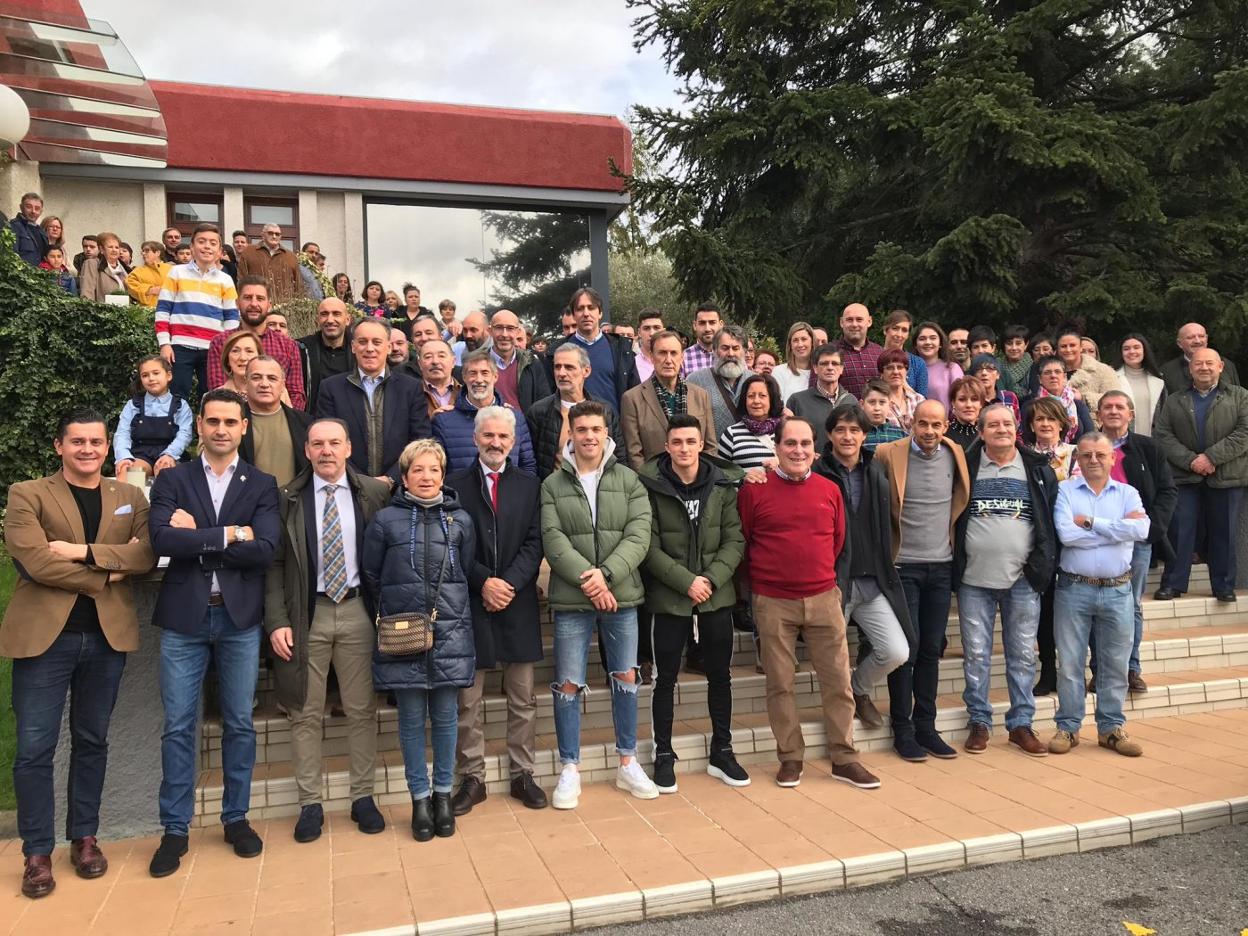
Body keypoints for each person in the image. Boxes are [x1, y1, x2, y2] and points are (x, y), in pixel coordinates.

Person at [2, 409, 156, 898]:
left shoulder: (129, 495)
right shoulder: (27, 494)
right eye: (77, 441)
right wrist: (107, 571)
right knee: (34, 749)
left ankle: (84, 838)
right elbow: (34, 562)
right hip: (47, 638)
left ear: (107, 447)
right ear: (59, 446)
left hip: (105, 638)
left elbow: (147, 553)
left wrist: (79, 551)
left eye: (96, 441)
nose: (88, 449)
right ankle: (37, 851)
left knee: (93, 740)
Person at [147, 389, 281, 877]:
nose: (221, 429)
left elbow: (265, 548)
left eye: (231, 421)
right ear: (199, 425)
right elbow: (161, 538)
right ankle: (175, 828)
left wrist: (198, 534)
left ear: (244, 427)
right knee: (179, 726)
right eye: (213, 421)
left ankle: (236, 817)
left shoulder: (262, 483)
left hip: (238, 619)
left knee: (240, 724)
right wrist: (230, 534)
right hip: (185, 618)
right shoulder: (174, 478)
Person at [263, 418, 391, 842]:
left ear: (349, 447)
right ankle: (309, 803)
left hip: (357, 611)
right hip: (307, 615)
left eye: (335, 442)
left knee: (361, 709)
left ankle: (362, 797)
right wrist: (278, 621)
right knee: (304, 712)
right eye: (318, 444)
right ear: (306, 450)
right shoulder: (287, 498)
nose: (326, 451)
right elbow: (275, 566)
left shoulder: (374, 492)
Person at [737, 417, 879, 789]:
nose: (797, 451)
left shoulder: (829, 489)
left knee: (837, 682)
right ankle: (790, 757)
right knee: (780, 683)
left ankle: (844, 758)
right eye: (790, 444)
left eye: (804, 444)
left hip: (823, 597)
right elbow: (748, 537)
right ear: (777, 448)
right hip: (772, 601)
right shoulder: (754, 489)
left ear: (815, 450)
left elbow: (836, 541)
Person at [541, 401, 657, 809]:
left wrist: (605, 575)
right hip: (573, 600)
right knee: (568, 684)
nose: (589, 436)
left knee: (625, 678)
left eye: (596, 428)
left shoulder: (628, 479)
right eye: (581, 429)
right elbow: (553, 541)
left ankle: (627, 761)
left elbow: (639, 535)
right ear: (570, 433)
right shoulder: (553, 484)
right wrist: (592, 582)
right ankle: (569, 768)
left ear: (607, 432)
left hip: (621, 595)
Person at [364, 439, 477, 840]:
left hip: (449, 631)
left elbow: (464, 570)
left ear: (443, 475)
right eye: (418, 470)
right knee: (411, 722)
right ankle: (419, 798)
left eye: (434, 470)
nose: (426, 477)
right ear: (405, 476)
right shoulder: (385, 521)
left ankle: (443, 795)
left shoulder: (460, 519)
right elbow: (372, 577)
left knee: (446, 720)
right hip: (403, 633)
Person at [639, 414, 750, 791]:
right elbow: (647, 545)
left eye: (691, 441)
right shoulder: (650, 486)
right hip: (669, 600)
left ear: (702, 444)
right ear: (667, 446)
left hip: (716, 599)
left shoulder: (722, 486)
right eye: (677, 442)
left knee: (721, 676)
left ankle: (723, 750)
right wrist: (686, 582)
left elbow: (734, 541)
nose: (684, 448)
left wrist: (711, 580)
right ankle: (664, 754)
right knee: (664, 679)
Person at [447, 408, 548, 814]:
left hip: (517, 600)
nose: (495, 443)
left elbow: (536, 540)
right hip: (470, 604)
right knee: (466, 700)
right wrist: (482, 582)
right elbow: (450, 544)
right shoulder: (453, 487)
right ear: (475, 439)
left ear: (513, 441)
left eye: (502, 437)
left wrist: (507, 582)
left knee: (522, 697)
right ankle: (473, 777)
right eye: (487, 435)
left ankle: (523, 773)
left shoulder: (530, 485)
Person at [953, 404, 1057, 757]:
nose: (1001, 429)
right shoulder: (964, 467)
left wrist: (1040, 567)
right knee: (977, 654)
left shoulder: (1038, 470)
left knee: (1023, 655)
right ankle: (979, 722)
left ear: (1017, 429)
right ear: (980, 432)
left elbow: (1049, 524)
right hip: (973, 579)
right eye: (993, 424)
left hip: (1022, 580)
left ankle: (1021, 724)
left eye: (1007, 423)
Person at [814, 405, 916, 755]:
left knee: (896, 650)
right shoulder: (817, 472)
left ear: (864, 435)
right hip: (833, 583)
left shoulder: (875, 470)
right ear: (830, 435)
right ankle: (839, 737)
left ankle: (859, 688)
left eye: (854, 431)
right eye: (840, 430)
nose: (847, 437)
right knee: (832, 661)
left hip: (872, 580)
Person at [873, 401, 970, 761]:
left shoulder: (955, 453)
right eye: (923, 424)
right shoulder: (888, 453)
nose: (930, 431)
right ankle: (903, 729)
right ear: (911, 423)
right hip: (903, 568)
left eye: (937, 425)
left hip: (941, 567)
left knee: (931, 649)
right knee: (907, 651)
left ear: (947, 425)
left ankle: (926, 727)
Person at [1048, 433, 1150, 758]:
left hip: (1118, 590)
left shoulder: (1128, 492)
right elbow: (1066, 534)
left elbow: (1142, 530)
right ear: (1077, 459)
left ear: (1112, 459)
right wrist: (1116, 530)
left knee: (1116, 664)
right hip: (1073, 588)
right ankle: (1068, 728)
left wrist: (1091, 523)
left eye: (1100, 455)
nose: (1093, 460)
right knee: (1070, 664)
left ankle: (1111, 729)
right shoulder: (1064, 491)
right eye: (1087, 455)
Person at [1087, 391, 1176, 694]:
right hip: (1095, 538)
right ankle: (1100, 671)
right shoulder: (1086, 448)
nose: (1113, 411)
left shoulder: (1149, 448)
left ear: (1131, 413)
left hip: (1136, 541)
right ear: (1098, 414)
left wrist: (1152, 529)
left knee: (1130, 606)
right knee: (1098, 606)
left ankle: (1130, 669)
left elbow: (1167, 491)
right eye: (1107, 407)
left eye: (1119, 407)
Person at [1154, 348, 1248, 602]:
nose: (1204, 367)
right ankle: (1173, 583)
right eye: (1198, 363)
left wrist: (1211, 457)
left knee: (1224, 532)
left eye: (1209, 363)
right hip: (1185, 476)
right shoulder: (1175, 400)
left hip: (1227, 475)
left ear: (1221, 367)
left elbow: (1244, 433)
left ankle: (1223, 586)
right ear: (1190, 369)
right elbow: (1163, 435)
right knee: (1179, 530)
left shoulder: (1240, 397)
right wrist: (1191, 460)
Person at [316, 317, 432, 484]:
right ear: (353, 347)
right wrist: (359, 481)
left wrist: (391, 478)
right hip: (348, 485)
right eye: (363, 342)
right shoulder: (331, 388)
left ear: (388, 347)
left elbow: (420, 440)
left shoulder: (410, 388)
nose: (370, 348)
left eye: (376, 342)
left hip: (398, 488)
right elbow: (326, 439)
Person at [1025, 395, 1081, 697]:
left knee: (1072, 611)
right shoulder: (1023, 456)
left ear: (1062, 423)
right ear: (1031, 425)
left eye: (1050, 418)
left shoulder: (1075, 454)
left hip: (1070, 542)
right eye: (1039, 419)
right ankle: (1047, 671)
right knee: (1044, 612)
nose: (1045, 424)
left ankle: (1074, 671)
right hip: (1037, 543)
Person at [155, 223, 239, 401]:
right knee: (177, 398)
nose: (207, 246)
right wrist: (164, 344)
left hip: (213, 349)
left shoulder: (226, 280)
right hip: (179, 347)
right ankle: (179, 430)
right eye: (201, 241)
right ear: (192, 247)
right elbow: (163, 310)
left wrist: (227, 347)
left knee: (212, 397)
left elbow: (232, 317)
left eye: (212, 243)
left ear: (219, 251)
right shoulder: (176, 273)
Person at [205, 276, 308, 410]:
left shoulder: (288, 345)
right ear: (237, 303)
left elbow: (296, 394)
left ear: (269, 304)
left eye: (260, 298)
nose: (254, 304)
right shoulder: (221, 342)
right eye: (247, 298)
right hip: (233, 419)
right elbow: (217, 390)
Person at [526, 343, 624, 478]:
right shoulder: (539, 412)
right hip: (556, 494)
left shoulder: (605, 410)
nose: (561, 373)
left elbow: (620, 457)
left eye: (569, 367)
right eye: (557, 367)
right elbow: (532, 462)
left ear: (586, 371)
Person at [621, 330, 716, 468]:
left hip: (696, 481)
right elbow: (634, 453)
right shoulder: (632, 399)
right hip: (654, 482)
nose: (668, 360)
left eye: (674, 353)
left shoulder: (700, 395)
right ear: (652, 357)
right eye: (662, 353)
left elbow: (710, 447)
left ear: (682, 357)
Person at [433, 349, 537, 475]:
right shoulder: (444, 421)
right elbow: (437, 470)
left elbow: (528, 467)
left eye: (485, 373)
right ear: (464, 377)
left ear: (495, 376)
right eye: (473, 373)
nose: (479, 379)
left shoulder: (516, 419)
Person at [557, 286, 637, 412]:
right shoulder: (558, 351)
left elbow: (634, 395)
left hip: (611, 426)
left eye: (591, 308)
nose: (586, 313)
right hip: (571, 426)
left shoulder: (620, 349)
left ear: (600, 313)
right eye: (580, 309)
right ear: (573, 315)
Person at [113, 354, 193, 479]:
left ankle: (164, 499)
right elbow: (122, 433)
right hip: (140, 454)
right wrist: (123, 457)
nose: (151, 378)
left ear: (168, 376)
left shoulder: (180, 406)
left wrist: (170, 455)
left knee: (166, 473)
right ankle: (130, 499)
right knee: (128, 473)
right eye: (145, 375)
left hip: (170, 454)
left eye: (156, 373)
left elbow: (185, 434)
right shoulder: (133, 405)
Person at [240, 356, 312, 487]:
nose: (264, 384)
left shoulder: (304, 423)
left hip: (294, 504)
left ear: (283, 384)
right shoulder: (232, 421)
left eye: (272, 378)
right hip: (248, 503)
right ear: (246, 382)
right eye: (256, 377)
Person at [686, 325, 754, 442]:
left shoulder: (756, 381)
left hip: (748, 454)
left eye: (736, 348)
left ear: (745, 351)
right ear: (714, 350)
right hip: (712, 456)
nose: (730, 354)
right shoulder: (694, 381)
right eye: (725, 348)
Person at [489, 308, 551, 411]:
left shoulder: (532, 363)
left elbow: (544, 404)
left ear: (518, 332)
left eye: (510, 328)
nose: (504, 334)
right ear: (490, 331)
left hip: (525, 426)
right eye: (499, 328)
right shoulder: (477, 363)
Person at [718, 374, 783, 470]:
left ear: (772, 399)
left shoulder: (785, 430)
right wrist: (743, 478)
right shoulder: (731, 434)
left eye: (762, 396)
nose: (756, 401)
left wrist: (780, 465)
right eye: (751, 396)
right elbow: (721, 473)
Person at [300, 298, 353, 412]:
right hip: (313, 422)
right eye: (324, 314)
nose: (330, 320)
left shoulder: (359, 350)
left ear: (348, 319)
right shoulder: (302, 349)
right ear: (317, 320)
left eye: (336, 314)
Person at [1054, 327, 1122, 414]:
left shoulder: (1103, 371)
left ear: (1081, 347)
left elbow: (1116, 399)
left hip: (1095, 425)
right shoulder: (1051, 371)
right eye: (1063, 346)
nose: (1068, 350)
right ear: (1058, 349)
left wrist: (1084, 398)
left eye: (1072, 345)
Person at [1160, 322, 1242, 393]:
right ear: (1179, 343)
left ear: (1206, 339)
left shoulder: (1227, 365)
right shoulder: (1167, 371)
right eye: (1190, 337)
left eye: (1201, 336)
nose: (1197, 341)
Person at [786, 343, 853, 427]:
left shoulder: (851, 401)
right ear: (815, 368)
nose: (830, 368)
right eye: (824, 363)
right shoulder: (797, 401)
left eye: (835, 363)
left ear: (841, 369)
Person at [1031, 355, 1094, 444]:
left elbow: (1090, 435)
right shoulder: (1031, 404)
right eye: (1047, 372)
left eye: (1057, 372)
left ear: (1064, 377)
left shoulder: (1077, 404)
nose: (1053, 376)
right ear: (1040, 379)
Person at [1115, 333, 1167, 436]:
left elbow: (1164, 416)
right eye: (1126, 349)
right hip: (1122, 441)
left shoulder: (1159, 381)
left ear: (1144, 351)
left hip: (1152, 442)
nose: (1132, 351)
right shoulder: (1112, 378)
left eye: (1136, 347)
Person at [236, 223, 301, 303]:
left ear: (280, 237)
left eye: (277, 234)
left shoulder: (291, 256)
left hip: (284, 307)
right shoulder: (249, 252)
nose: (274, 236)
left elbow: (298, 285)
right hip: (256, 303)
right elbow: (242, 280)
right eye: (270, 233)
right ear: (263, 235)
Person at [914, 322, 963, 407]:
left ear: (940, 343)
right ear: (915, 344)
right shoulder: (908, 369)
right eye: (922, 339)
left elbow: (962, 398)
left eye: (933, 338)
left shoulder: (952, 368)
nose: (928, 342)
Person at [881, 310, 928, 398]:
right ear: (885, 330)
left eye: (904, 330)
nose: (899, 334)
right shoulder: (873, 357)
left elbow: (922, 399)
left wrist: (903, 384)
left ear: (908, 335)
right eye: (895, 328)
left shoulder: (918, 363)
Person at [967, 354, 1021, 426]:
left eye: (990, 369)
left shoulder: (1009, 397)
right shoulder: (969, 401)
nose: (984, 373)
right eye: (978, 370)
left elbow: (1018, 428)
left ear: (998, 375)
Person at [877, 348, 925, 431]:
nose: (895, 372)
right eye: (890, 368)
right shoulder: (877, 403)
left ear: (906, 371)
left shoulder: (919, 400)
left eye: (900, 367)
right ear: (881, 373)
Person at [78, 231, 129, 303]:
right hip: (102, 312)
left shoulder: (125, 270)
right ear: (101, 249)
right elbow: (87, 293)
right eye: (110, 247)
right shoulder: (92, 264)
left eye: (117, 247)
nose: (114, 250)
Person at [772, 321, 816, 403]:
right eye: (795, 340)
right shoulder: (779, 372)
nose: (800, 344)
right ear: (790, 345)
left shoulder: (820, 372)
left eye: (804, 339)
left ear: (812, 342)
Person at [419, 338, 461, 419]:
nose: (435, 361)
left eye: (441, 356)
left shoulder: (466, 393)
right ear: (419, 364)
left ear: (453, 362)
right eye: (428, 357)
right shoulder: (411, 394)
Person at [860, 379, 907, 451]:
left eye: (882, 402)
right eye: (872, 402)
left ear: (890, 405)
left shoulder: (901, 435)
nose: (877, 408)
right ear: (862, 404)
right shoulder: (856, 434)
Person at [125, 241, 172, 308]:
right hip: (146, 312)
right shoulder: (137, 271)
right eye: (142, 251)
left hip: (169, 310)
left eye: (147, 251)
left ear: (157, 253)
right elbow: (130, 285)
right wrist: (150, 290)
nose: (143, 253)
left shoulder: (171, 269)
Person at [681, 302, 721, 376]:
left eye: (712, 322)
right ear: (695, 325)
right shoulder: (683, 358)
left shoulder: (730, 354)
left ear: (721, 324)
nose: (707, 329)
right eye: (702, 323)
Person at [946, 376, 984, 451]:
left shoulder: (987, 433)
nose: (969, 405)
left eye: (974, 399)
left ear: (981, 404)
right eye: (962, 399)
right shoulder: (944, 434)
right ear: (953, 402)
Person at [220, 331, 262, 397]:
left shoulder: (278, 393)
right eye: (235, 351)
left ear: (260, 357)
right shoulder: (214, 397)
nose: (243, 358)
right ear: (227, 359)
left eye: (249, 351)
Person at [9, 191, 48, 264]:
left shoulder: (42, 233)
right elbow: (11, 257)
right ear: (21, 207)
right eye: (29, 207)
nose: (33, 211)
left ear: (41, 211)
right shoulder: (14, 226)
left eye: (37, 208)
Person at [1001, 325, 1032, 399]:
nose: (1014, 348)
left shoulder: (1033, 368)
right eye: (1009, 343)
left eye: (1018, 343)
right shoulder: (995, 367)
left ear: (1026, 345)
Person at [633, 309, 665, 382]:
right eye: (646, 328)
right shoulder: (632, 365)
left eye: (656, 328)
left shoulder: (675, 362)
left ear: (663, 331)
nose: (652, 333)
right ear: (639, 332)